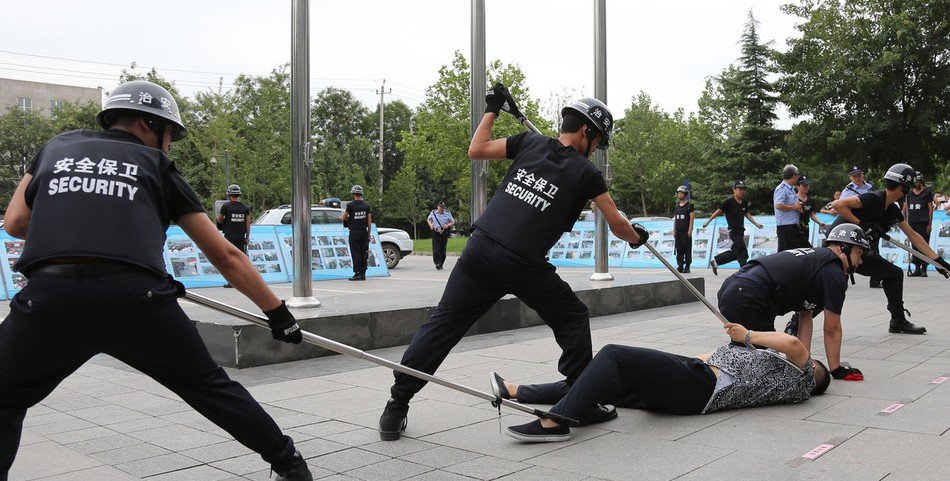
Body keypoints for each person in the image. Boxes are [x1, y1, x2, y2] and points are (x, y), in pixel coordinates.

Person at [0, 81, 312, 481]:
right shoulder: (156, 165)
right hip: (136, 300)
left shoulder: (55, 148)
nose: (169, 146)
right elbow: (225, 254)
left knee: (5, 399)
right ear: (150, 124)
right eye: (170, 136)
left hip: (50, 298)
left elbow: (16, 222)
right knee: (208, 387)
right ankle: (290, 465)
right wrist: (277, 313)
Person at [376, 85, 647, 441]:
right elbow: (617, 224)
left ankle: (395, 407)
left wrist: (491, 109)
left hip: (480, 250)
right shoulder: (586, 173)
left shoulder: (529, 143)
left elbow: (477, 149)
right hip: (522, 262)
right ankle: (580, 399)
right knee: (573, 318)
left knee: (441, 327)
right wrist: (638, 237)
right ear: (587, 132)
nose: (596, 150)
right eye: (598, 143)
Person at [497, 323, 830, 442]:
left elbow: (794, 345)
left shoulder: (799, 381)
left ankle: (556, 423)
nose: (804, 359)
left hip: (700, 387)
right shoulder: (779, 377)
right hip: (694, 382)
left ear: (812, 373)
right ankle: (518, 391)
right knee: (607, 378)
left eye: (811, 363)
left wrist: (749, 335)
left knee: (614, 355)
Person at [718, 223, 870, 381]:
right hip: (749, 294)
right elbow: (832, 328)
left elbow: (805, 316)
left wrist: (803, 360)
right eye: (859, 253)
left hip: (736, 287)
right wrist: (837, 369)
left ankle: (717, 371)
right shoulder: (833, 271)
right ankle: (713, 375)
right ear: (843, 248)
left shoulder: (817, 260)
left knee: (749, 356)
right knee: (761, 368)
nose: (860, 261)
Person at [832, 164, 950, 334]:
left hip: (861, 254)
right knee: (830, 286)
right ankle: (796, 322)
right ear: (902, 187)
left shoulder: (893, 211)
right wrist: (861, 225)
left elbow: (913, 236)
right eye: (907, 189)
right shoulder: (872, 198)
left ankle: (898, 321)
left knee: (894, 274)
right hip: (839, 250)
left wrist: (938, 262)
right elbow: (838, 205)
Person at [702, 180, 763, 275]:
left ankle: (716, 261)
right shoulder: (729, 202)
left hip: (741, 230)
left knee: (735, 253)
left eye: (744, 189)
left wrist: (756, 224)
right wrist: (708, 221)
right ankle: (744, 272)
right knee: (743, 252)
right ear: (734, 190)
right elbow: (717, 212)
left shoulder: (744, 202)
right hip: (733, 231)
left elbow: (747, 214)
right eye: (740, 189)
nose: (742, 191)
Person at [839, 164, 882, 288]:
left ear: (863, 174)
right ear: (850, 177)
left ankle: (875, 280)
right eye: (854, 176)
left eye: (859, 175)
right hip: (854, 223)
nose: (857, 178)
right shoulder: (847, 191)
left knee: (874, 250)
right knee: (848, 251)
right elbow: (842, 206)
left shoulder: (871, 188)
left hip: (869, 223)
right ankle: (844, 278)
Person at [216, 183, 251, 288]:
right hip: (241, 236)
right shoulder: (245, 208)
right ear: (238, 195)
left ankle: (232, 281)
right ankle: (242, 281)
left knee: (230, 259)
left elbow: (219, 219)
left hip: (229, 236)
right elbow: (247, 223)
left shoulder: (226, 206)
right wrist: (247, 236)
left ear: (229, 195)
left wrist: (222, 224)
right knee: (241, 259)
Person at [903, 171, 933, 277]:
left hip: (923, 223)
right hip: (912, 223)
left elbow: (930, 208)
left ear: (921, 181)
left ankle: (924, 268)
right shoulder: (909, 194)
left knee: (924, 245)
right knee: (914, 246)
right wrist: (905, 221)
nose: (916, 183)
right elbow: (905, 208)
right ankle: (917, 268)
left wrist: (929, 224)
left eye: (918, 181)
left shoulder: (927, 193)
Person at [342, 185, 371, 281]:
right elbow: (369, 221)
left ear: (353, 194)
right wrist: (369, 233)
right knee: (364, 252)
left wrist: (350, 219)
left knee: (356, 252)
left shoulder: (350, 205)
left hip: (354, 232)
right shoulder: (366, 206)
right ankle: (363, 273)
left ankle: (357, 272)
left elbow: (344, 217)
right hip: (364, 232)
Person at [774, 164, 806, 251]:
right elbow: (778, 205)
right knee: (785, 252)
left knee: (794, 251)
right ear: (793, 175)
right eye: (797, 175)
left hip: (793, 226)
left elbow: (793, 204)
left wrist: (798, 207)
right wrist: (794, 207)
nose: (797, 178)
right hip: (785, 227)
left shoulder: (791, 189)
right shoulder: (781, 188)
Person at [795, 175, 827, 246]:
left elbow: (811, 214)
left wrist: (820, 222)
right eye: (804, 185)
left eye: (807, 185)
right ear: (798, 186)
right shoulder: (794, 199)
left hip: (806, 227)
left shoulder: (810, 200)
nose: (806, 187)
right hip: (795, 228)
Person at [673, 185, 695, 273]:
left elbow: (692, 218)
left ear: (685, 194)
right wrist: (674, 230)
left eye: (681, 193)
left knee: (687, 249)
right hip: (678, 231)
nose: (680, 195)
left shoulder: (689, 206)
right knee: (679, 249)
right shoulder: (677, 206)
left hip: (686, 232)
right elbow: (675, 218)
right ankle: (680, 265)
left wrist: (690, 230)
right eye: (678, 193)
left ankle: (687, 266)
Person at [427, 201, 455, 270]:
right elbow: (429, 219)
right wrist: (430, 225)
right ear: (438, 207)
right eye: (441, 207)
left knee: (442, 249)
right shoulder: (433, 213)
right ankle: (437, 263)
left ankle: (441, 262)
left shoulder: (447, 213)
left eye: (443, 208)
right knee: (436, 249)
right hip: (435, 232)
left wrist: (448, 225)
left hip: (444, 232)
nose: (442, 209)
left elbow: (452, 221)